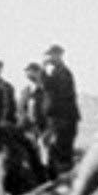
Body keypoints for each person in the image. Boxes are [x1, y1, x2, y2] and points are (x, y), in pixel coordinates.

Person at [40, 44, 80, 176]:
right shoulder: (56, 72)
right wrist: (43, 69)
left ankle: (64, 179)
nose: (49, 57)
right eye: (49, 55)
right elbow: (46, 85)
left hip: (64, 119)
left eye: (52, 55)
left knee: (62, 151)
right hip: (57, 119)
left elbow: (59, 96)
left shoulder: (63, 73)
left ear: (59, 55)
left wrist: (57, 119)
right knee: (55, 150)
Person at [17, 62, 47, 150]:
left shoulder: (47, 91)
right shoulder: (26, 91)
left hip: (44, 129)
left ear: (39, 72)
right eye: (27, 72)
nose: (28, 74)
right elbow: (20, 109)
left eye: (32, 71)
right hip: (28, 129)